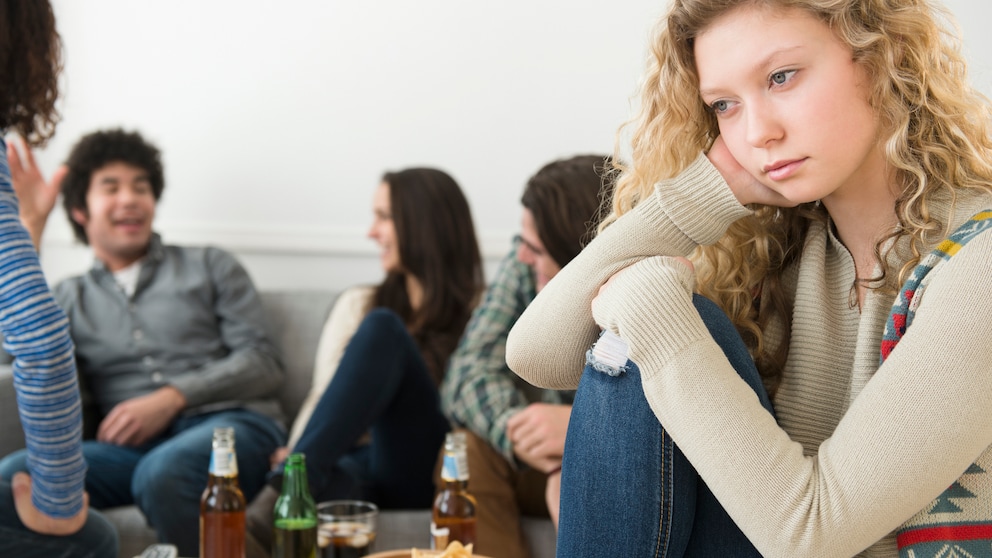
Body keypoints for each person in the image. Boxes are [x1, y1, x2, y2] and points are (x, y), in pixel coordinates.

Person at [505, 0, 992, 556]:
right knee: (656, 343)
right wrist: (700, 195)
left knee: (668, 323)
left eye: (781, 77)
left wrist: (654, 313)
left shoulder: (979, 263)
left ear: (884, 56)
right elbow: (537, 352)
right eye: (725, 105)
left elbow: (812, 534)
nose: (758, 132)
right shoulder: (786, 251)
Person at [0, 128, 287, 556]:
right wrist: (31, 226)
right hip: (128, 454)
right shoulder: (69, 296)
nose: (131, 198)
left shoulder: (210, 265)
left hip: (227, 428)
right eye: (111, 187)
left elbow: (262, 362)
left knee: (164, 473)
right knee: (14, 477)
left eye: (141, 187)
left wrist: (171, 398)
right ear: (80, 209)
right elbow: (15, 356)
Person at [245, 167, 484, 553]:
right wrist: (296, 455)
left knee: (384, 329)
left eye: (384, 217)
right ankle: (287, 488)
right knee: (324, 481)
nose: (371, 232)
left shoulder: (485, 310)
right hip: (352, 466)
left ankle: (281, 494)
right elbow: (324, 395)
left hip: (421, 464)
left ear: (423, 224)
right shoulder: (358, 301)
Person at [439, 154, 609, 557]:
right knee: (467, 449)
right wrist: (526, 434)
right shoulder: (525, 269)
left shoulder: (646, 280)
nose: (521, 256)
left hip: (617, 457)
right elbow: (466, 371)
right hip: (539, 459)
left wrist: (579, 428)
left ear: (576, 250)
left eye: (535, 247)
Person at [0, 1, 119, 557]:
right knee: (90, 538)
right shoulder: (79, 291)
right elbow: (40, 341)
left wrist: (26, 226)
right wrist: (59, 502)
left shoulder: (209, 266)